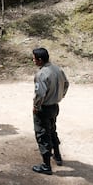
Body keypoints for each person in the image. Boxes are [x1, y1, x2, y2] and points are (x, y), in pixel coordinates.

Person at [31, 47, 69, 175]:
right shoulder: (57, 69)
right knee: (52, 130)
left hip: (44, 108)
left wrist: (36, 107)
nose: (33, 61)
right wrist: (61, 96)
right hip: (55, 106)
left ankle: (46, 166)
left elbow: (40, 94)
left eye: (34, 59)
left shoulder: (41, 74)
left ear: (40, 60)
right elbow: (66, 84)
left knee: (42, 134)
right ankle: (57, 156)